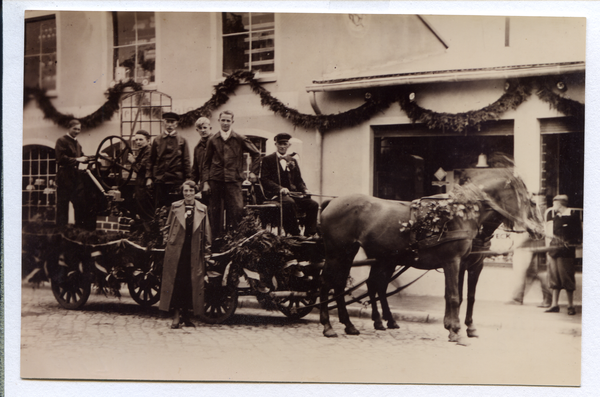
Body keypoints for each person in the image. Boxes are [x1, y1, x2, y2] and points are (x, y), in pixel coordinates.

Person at [159, 181, 212, 329]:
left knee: (191, 284)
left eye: (190, 191)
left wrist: (207, 251)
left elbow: (207, 231)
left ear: (195, 192)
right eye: (185, 191)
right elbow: (167, 227)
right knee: (177, 283)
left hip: (194, 251)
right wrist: (167, 241)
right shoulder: (176, 207)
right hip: (177, 252)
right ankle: (176, 316)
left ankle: (187, 316)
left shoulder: (202, 209)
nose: (188, 193)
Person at [201, 110, 260, 238]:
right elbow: (205, 163)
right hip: (215, 180)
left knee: (238, 211)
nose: (225, 123)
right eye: (223, 120)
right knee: (214, 212)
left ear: (232, 122)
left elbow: (256, 154)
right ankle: (215, 243)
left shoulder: (239, 138)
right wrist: (205, 182)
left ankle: (237, 242)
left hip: (233, 180)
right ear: (219, 121)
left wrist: (253, 172)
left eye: (228, 120)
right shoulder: (212, 140)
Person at [260, 133, 319, 237]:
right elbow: (264, 179)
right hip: (275, 195)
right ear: (276, 144)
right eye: (280, 144)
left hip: (292, 193)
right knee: (289, 202)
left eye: (285, 144)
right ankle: (294, 233)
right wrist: (279, 188)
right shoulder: (268, 160)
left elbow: (298, 180)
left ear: (289, 145)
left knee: (313, 204)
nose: (282, 146)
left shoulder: (293, 160)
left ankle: (309, 233)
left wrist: (305, 189)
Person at [544, 195, 582, 315]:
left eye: (554, 204)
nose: (553, 207)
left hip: (566, 253)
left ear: (560, 204)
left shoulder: (573, 217)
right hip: (554, 251)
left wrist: (570, 243)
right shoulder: (556, 218)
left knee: (567, 278)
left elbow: (579, 236)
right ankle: (554, 305)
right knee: (554, 278)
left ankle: (571, 306)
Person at [148, 112, 192, 209]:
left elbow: (186, 160)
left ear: (176, 124)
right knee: (160, 207)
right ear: (163, 123)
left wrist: (188, 178)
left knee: (177, 206)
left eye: (172, 122)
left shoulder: (182, 140)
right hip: (160, 180)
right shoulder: (157, 140)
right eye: (167, 122)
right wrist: (149, 177)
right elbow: (151, 160)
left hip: (176, 180)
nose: (170, 125)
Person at [55, 119, 89, 228]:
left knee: (79, 203)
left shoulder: (78, 144)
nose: (77, 131)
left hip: (76, 176)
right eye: (75, 129)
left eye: (79, 129)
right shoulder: (61, 141)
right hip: (64, 176)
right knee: (63, 205)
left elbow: (82, 156)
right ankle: (61, 232)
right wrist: (78, 159)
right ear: (69, 128)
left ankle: (78, 231)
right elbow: (61, 158)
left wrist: (90, 159)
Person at [506, 232, 552, 307]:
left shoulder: (535, 225)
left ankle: (547, 300)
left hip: (539, 250)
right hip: (535, 250)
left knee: (540, 275)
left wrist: (522, 245)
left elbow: (536, 235)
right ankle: (518, 298)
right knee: (531, 274)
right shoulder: (533, 225)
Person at [127, 130, 154, 222]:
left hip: (144, 185)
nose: (138, 142)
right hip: (141, 184)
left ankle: (150, 233)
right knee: (142, 210)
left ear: (148, 140)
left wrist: (133, 161)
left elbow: (140, 169)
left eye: (141, 139)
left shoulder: (149, 151)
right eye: (136, 140)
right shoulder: (142, 151)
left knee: (146, 210)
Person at [190, 117, 213, 204]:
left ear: (210, 128)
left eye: (205, 127)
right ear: (197, 130)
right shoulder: (197, 148)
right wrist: (191, 183)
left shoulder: (216, 142)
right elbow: (195, 168)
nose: (203, 130)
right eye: (200, 128)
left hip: (216, 182)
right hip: (204, 185)